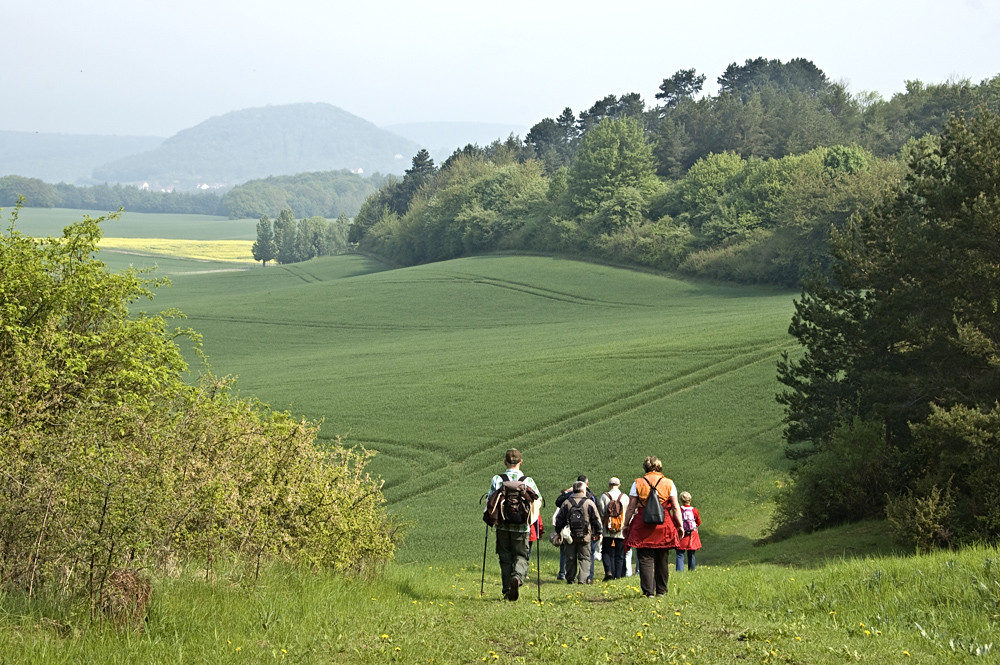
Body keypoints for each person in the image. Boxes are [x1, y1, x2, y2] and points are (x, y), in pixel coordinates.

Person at [622, 455, 682, 597]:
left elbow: (631, 507)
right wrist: (679, 525)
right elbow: (675, 506)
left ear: (645, 467)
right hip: (664, 523)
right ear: (659, 466)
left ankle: (649, 592)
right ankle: (661, 591)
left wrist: (626, 524)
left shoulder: (638, 483)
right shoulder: (668, 483)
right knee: (662, 559)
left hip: (643, 523)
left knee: (645, 559)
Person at [486, 448, 540, 601]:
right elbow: (537, 501)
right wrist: (531, 520)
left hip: (502, 526)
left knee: (505, 557)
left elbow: (489, 501)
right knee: (521, 556)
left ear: (505, 462)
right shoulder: (527, 481)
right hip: (522, 528)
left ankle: (507, 590)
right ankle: (517, 577)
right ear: (521, 462)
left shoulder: (498, 479)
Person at [553, 480, 602, 584]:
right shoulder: (589, 502)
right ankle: (582, 579)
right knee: (584, 558)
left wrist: (558, 531)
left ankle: (570, 579)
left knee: (570, 557)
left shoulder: (567, 503)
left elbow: (560, 519)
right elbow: (596, 519)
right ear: (583, 490)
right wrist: (598, 532)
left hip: (569, 535)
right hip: (585, 535)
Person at [597, 477, 629, 580]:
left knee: (606, 551)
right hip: (621, 529)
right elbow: (629, 512)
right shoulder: (624, 497)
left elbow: (601, 512)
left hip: (607, 529)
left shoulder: (604, 496)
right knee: (619, 553)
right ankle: (618, 575)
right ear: (619, 485)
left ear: (609, 485)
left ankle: (609, 571)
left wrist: (602, 525)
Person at [675, 491, 701, 571]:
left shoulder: (680, 509)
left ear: (681, 500)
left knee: (680, 554)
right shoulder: (694, 510)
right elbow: (698, 522)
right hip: (692, 534)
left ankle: (679, 571)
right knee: (691, 554)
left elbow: (675, 519)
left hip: (682, 533)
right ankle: (692, 570)